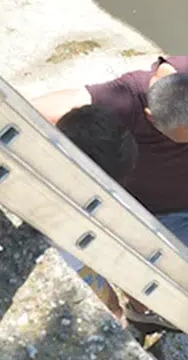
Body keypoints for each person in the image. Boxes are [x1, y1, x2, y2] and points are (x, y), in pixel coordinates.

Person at [32, 46, 188, 329]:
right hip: (165, 216)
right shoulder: (123, 100)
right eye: (187, 140)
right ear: (151, 117)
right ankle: (145, 312)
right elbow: (34, 111)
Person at [51, 103, 140, 323]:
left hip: (91, 247)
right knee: (107, 309)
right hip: (72, 259)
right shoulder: (50, 196)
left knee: (112, 303)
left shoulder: (71, 153)